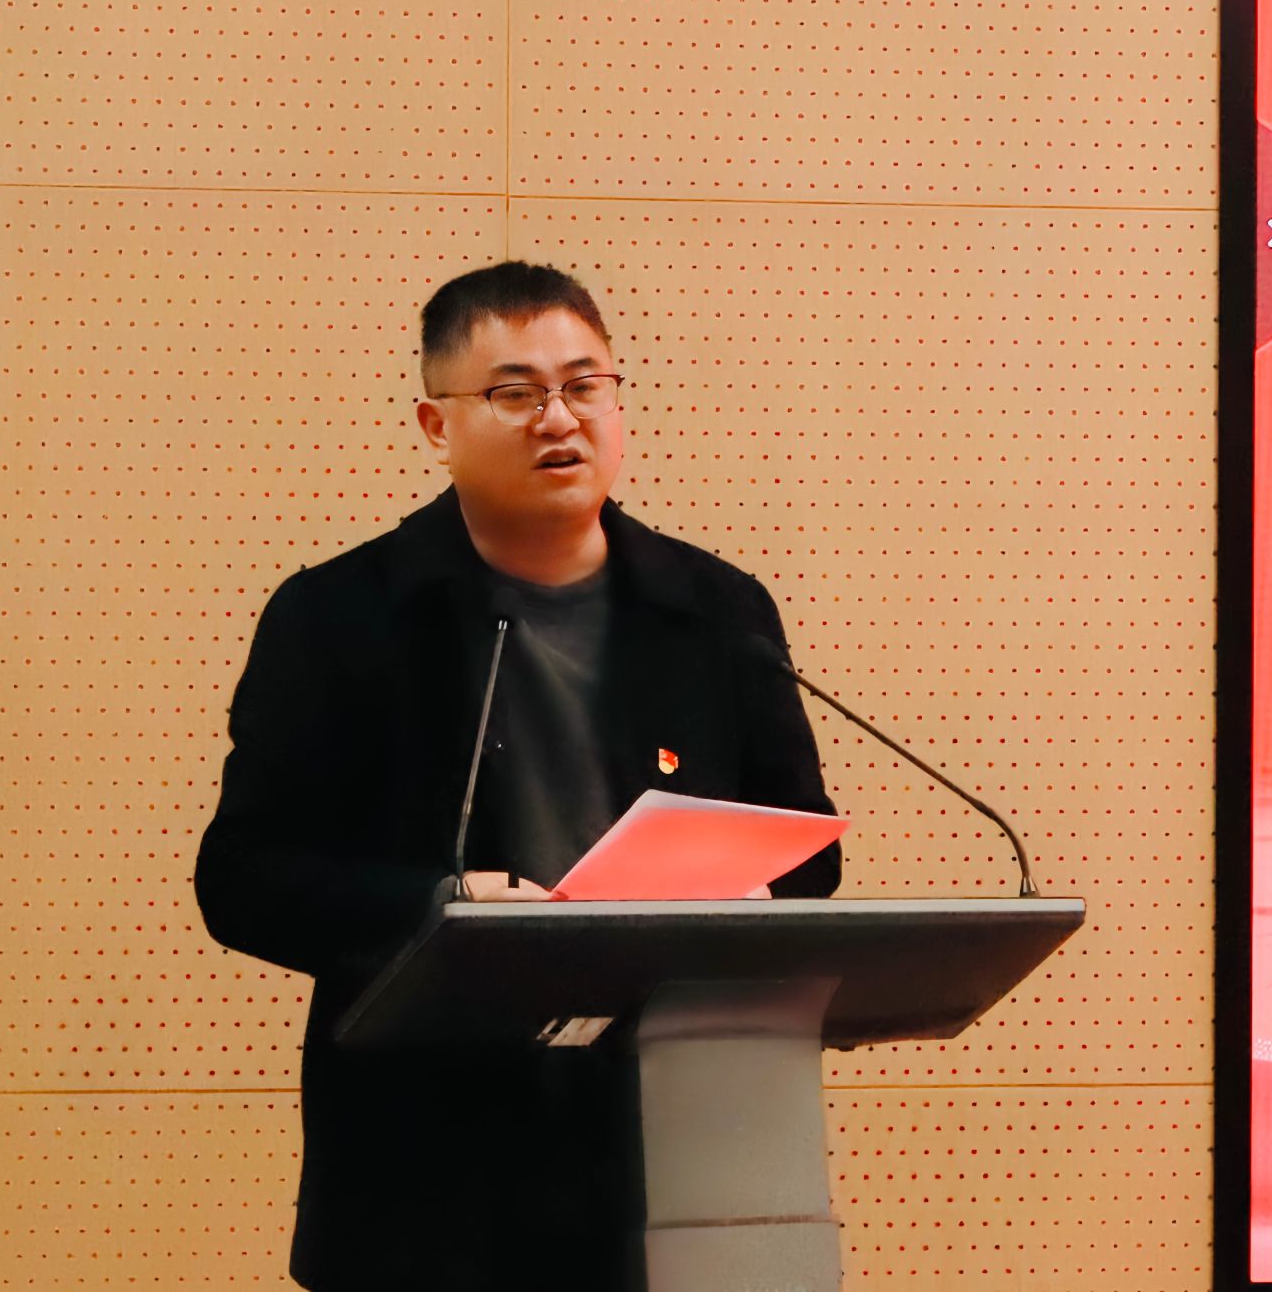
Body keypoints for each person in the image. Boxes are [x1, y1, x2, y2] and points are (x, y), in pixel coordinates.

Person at [193, 261, 841, 1292]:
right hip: (429, 1166)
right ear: (435, 424)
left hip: (686, 1143)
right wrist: (443, 907)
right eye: (516, 392)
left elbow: (806, 851)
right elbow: (242, 879)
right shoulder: (340, 617)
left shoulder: (716, 610)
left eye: (585, 385)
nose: (560, 418)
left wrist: (747, 895)